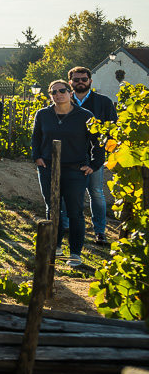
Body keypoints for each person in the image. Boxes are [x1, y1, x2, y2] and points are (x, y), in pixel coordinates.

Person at [32, 79, 102, 267]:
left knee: (74, 211)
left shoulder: (85, 115)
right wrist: (37, 156)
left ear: (70, 93)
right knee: (52, 207)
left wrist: (95, 164)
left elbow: (97, 141)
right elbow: (36, 138)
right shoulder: (43, 114)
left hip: (75, 170)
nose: (58, 94)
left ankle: (75, 253)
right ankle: (55, 247)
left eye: (62, 90)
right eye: (54, 92)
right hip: (48, 168)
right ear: (50, 95)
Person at [68, 65, 117, 245]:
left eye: (83, 79)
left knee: (96, 193)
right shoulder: (64, 101)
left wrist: (104, 154)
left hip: (95, 156)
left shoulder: (103, 102)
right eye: (76, 80)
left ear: (90, 81)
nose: (80, 82)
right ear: (70, 82)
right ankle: (66, 227)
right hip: (70, 156)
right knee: (69, 193)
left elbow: (112, 130)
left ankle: (99, 231)